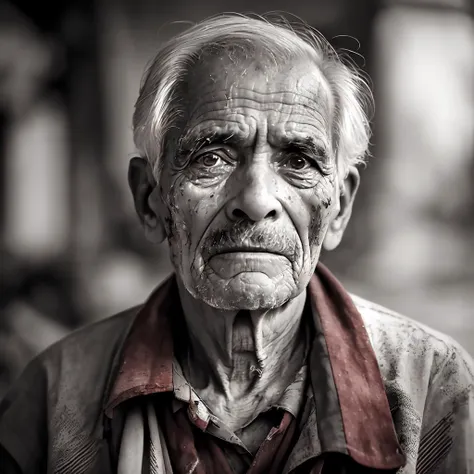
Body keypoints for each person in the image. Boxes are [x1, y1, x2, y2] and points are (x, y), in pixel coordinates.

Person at [0, 13, 472, 474]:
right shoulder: (53, 395)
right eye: (212, 156)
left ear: (340, 206)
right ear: (151, 200)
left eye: (299, 160)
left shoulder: (436, 385)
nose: (256, 199)